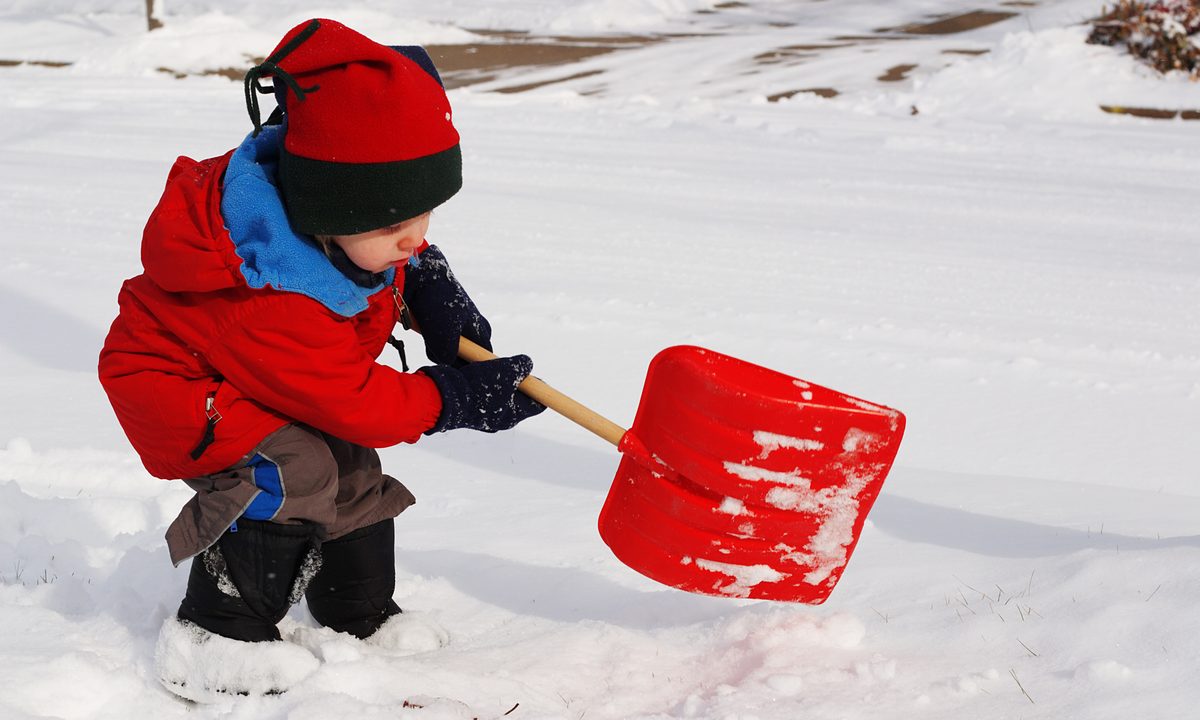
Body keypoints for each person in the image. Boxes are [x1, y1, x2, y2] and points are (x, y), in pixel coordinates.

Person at [97, 18, 545, 700]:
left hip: (266, 373)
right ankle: (215, 635)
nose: (415, 240)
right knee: (295, 467)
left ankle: (355, 616)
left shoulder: (340, 218)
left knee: (352, 465)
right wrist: (452, 400)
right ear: (325, 214)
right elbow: (354, 400)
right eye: (396, 228)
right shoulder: (277, 297)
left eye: (425, 219)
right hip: (182, 386)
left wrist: (430, 290)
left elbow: (385, 256)